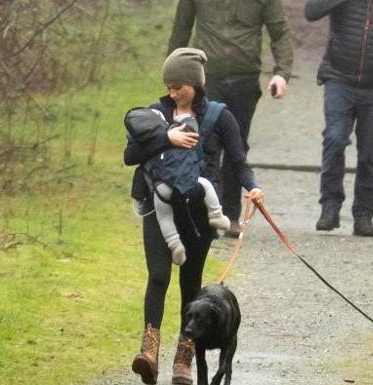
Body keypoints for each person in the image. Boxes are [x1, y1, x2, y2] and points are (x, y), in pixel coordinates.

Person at [123, 48, 263, 385]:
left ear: (195, 84)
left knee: (190, 285)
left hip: (199, 212)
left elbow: (238, 159)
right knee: (158, 277)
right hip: (159, 206)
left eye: (178, 87)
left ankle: (184, 358)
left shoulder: (219, 116)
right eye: (168, 86)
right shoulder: (156, 114)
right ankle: (149, 351)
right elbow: (130, 155)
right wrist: (164, 137)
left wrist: (253, 188)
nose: (171, 93)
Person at [168, 0, 293, 238]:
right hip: (206, 80)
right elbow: (180, 31)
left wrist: (281, 73)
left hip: (244, 80)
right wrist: (173, 79)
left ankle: (231, 214)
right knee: (203, 145)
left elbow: (280, 32)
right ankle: (202, 212)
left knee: (236, 146)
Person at [304, 0, 373, 236]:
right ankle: (330, 207)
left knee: (370, 152)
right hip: (338, 78)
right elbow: (311, 12)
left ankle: (364, 214)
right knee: (334, 139)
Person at [124, 108, 231, 265]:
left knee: (164, 217)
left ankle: (174, 244)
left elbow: (131, 158)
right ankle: (216, 215)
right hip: (185, 183)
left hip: (160, 189)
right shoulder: (177, 132)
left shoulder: (143, 144)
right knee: (206, 185)